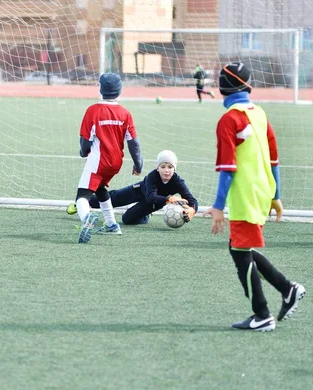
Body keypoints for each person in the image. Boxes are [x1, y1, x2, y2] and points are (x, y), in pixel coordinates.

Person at [203, 62, 305, 332]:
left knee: (239, 253)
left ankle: (262, 315)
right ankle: (288, 289)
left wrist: (217, 207)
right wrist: (276, 195)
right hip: (262, 192)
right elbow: (274, 159)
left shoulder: (229, 119)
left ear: (223, 88)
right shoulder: (258, 113)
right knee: (240, 248)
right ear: (247, 86)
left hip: (245, 197)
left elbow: (228, 168)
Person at [74, 73, 143, 244]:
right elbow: (133, 143)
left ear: (101, 89)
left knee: (82, 197)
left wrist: (83, 152)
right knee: (100, 189)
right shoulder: (125, 113)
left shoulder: (93, 111)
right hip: (115, 162)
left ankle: (87, 219)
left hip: (98, 161)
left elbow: (86, 140)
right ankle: (112, 225)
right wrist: (138, 163)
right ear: (119, 91)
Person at [67, 150, 197, 225]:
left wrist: (192, 210)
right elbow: (151, 197)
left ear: (174, 169)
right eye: (163, 167)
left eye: (170, 167)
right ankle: (80, 203)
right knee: (111, 199)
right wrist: (169, 199)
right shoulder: (152, 177)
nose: (166, 170)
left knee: (127, 220)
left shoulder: (178, 181)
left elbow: (192, 200)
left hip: (152, 203)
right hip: (138, 192)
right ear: (157, 168)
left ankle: (145, 215)